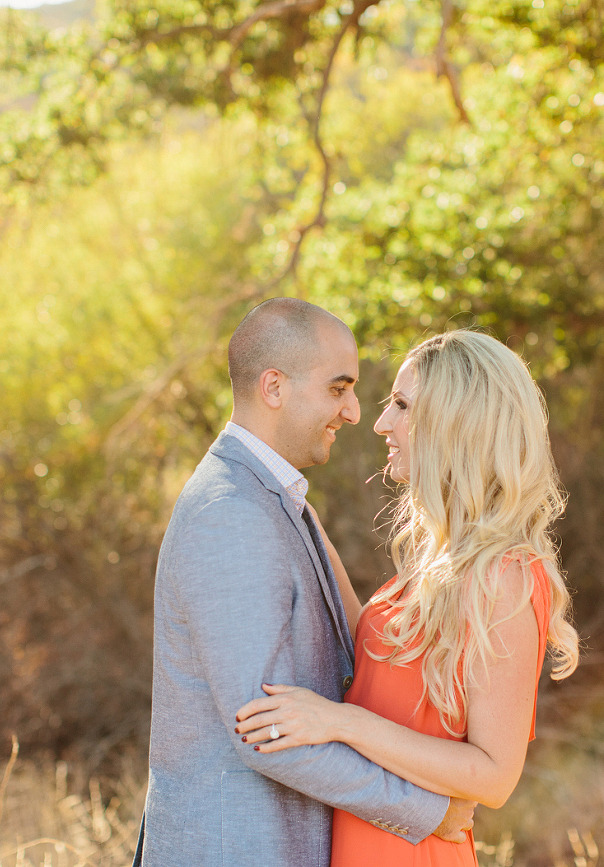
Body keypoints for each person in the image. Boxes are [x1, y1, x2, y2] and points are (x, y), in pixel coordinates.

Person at [139, 298, 475, 867]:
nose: (352, 412)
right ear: (274, 387)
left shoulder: (273, 500)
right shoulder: (231, 512)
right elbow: (263, 732)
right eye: (337, 389)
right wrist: (426, 810)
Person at [235, 330, 580, 867]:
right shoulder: (437, 565)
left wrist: (337, 722)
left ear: (457, 423)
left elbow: (494, 775)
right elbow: (372, 654)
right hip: (364, 840)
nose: (380, 423)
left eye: (401, 406)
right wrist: (306, 528)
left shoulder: (503, 576)